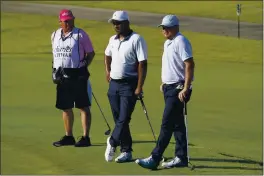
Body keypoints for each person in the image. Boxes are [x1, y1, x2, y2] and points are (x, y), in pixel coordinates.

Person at [135, 15, 195, 169]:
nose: (164, 30)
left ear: (176, 27)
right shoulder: (168, 42)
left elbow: (189, 65)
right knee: (177, 124)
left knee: (167, 123)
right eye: (163, 27)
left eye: (167, 27)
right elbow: (173, 65)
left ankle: (155, 157)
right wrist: (165, 83)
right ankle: (181, 158)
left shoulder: (181, 41)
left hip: (179, 88)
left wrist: (186, 88)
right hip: (169, 87)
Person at [104, 11, 148, 163]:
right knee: (119, 120)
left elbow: (143, 64)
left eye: (118, 23)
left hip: (129, 84)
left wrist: (139, 87)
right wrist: (107, 71)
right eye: (114, 23)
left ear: (127, 23)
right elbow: (107, 54)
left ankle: (112, 141)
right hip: (114, 84)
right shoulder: (112, 40)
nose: (116, 25)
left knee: (123, 118)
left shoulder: (137, 39)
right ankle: (126, 151)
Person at [51, 9, 95, 147]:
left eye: (70, 20)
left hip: (78, 74)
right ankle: (69, 136)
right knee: (66, 107)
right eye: (65, 21)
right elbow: (55, 55)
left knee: (83, 106)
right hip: (61, 75)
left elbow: (91, 53)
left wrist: (84, 65)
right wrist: (54, 70)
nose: (68, 23)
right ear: (60, 22)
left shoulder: (80, 35)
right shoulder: (54, 35)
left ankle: (85, 137)